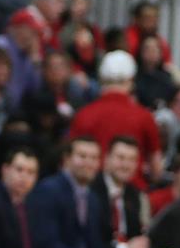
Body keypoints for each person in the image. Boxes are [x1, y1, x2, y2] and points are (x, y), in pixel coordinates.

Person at [69, 51, 163, 185]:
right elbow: (156, 168)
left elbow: (70, 161)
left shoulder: (83, 114)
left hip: (89, 189)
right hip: (132, 192)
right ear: (131, 81)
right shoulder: (144, 116)